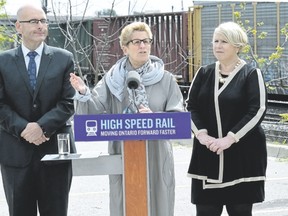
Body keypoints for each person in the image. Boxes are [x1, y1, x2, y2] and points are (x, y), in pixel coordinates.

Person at [70, 21, 184, 216]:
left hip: (156, 153)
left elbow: (179, 118)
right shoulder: (112, 79)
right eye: (137, 42)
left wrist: (155, 117)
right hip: (123, 152)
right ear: (125, 48)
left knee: (159, 198)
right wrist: (83, 92)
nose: (143, 46)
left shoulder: (165, 79)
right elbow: (93, 111)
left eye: (146, 41)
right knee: (125, 200)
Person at [0, 4, 76, 216]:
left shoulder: (64, 58)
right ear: (18, 26)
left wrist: (42, 127)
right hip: (15, 153)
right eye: (34, 21)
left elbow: (68, 103)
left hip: (55, 151)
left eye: (43, 21)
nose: (41, 25)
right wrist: (25, 129)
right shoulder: (2, 62)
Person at [185, 21, 267, 216]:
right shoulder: (204, 73)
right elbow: (190, 107)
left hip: (242, 156)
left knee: (240, 211)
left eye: (224, 41)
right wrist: (202, 135)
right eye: (215, 41)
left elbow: (257, 110)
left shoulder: (251, 74)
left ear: (237, 46)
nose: (218, 46)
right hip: (208, 153)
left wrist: (229, 139)